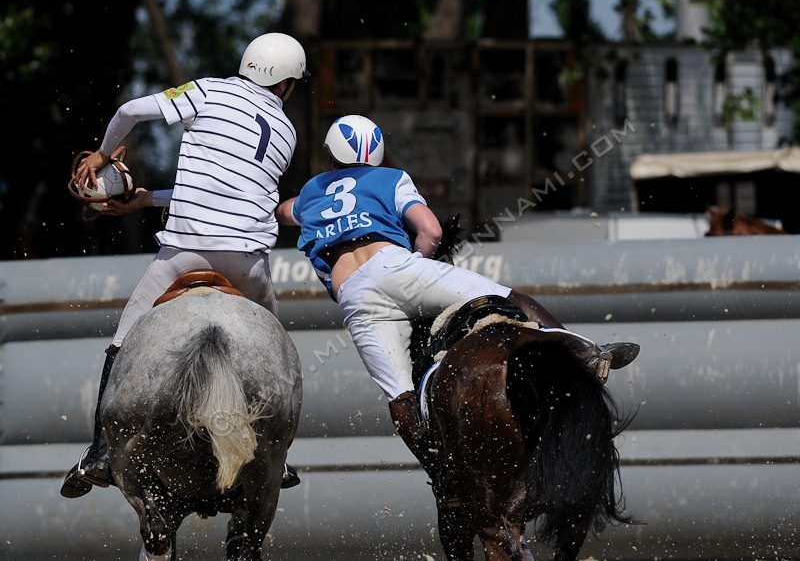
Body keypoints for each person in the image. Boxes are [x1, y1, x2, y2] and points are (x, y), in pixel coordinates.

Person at [275, 114, 640, 480]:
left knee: (400, 398)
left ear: (331, 155)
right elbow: (432, 231)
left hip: (356, 295)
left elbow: (283, 211)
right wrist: (418, 264)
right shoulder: (391, 178)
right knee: (510, 297)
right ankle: (587, 353)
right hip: (398, 268)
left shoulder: (311, 192)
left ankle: (445, 478)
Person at [61, 33, 309, 499]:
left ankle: (98, 450)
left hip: (184, 252)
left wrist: (100, 153)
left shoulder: (210, 90)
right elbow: (233, 194)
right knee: (278, 352)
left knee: (123, 338)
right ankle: (281, 455)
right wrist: (146, 200)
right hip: (247, 263)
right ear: (286, 85)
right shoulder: (288, 134)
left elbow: (131, 111)